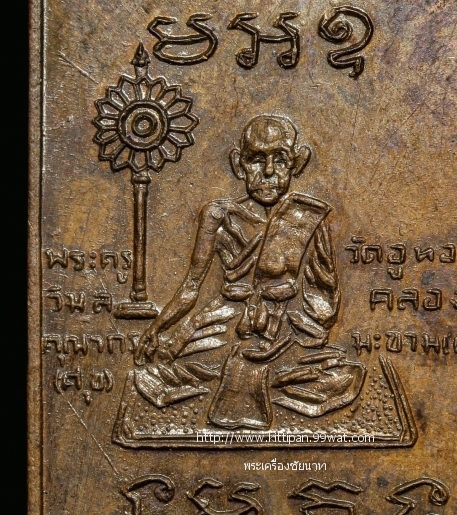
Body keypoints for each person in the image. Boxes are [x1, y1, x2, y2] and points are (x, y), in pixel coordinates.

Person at [132, 114, 366, 429]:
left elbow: (323, 299)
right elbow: (191, 287)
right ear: (239, 163)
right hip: (222, 323)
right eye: (257, 159)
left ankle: (258, 379)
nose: (268, 172)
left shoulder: (306, 217)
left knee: (341, 373)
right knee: (158, 365)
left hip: (284, 329)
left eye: (280, 160)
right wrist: (158, 329)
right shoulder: (218, 214)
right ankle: (257, 381)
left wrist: (291, 334)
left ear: (296, 164)